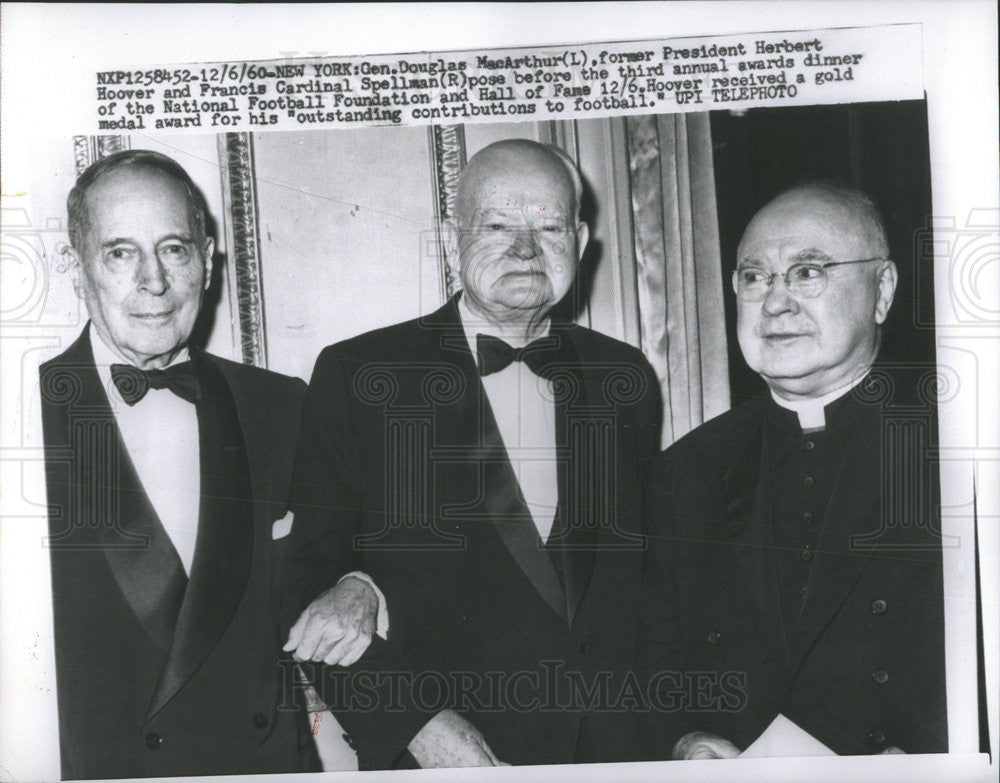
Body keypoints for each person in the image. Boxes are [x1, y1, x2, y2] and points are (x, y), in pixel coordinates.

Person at [281, 139, 663, 768]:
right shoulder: (361, 374)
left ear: (581, 238)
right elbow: (308, 588)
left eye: (548, 226)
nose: (525, 248)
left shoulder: (624, 378)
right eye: (497, 225)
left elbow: (647, 584)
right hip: (442, 756)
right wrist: (417, 726)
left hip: (611, 754)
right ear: (448, 239)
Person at [39, 150, 333, 778]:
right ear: (74, 268)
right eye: (120, 253)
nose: (153, 282)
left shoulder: (279, 406)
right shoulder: (20, 413)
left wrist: (357, 586)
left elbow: (333, 564)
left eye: (173, 249)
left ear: (208, 261)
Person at [638, 181, 947, 759]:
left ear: (882, 290)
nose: (775, 303)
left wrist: (940, 758)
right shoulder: (684, 472)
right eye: (754, 278)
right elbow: (651, 654)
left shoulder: (966, 440)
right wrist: (686, 739)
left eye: (808, 272)